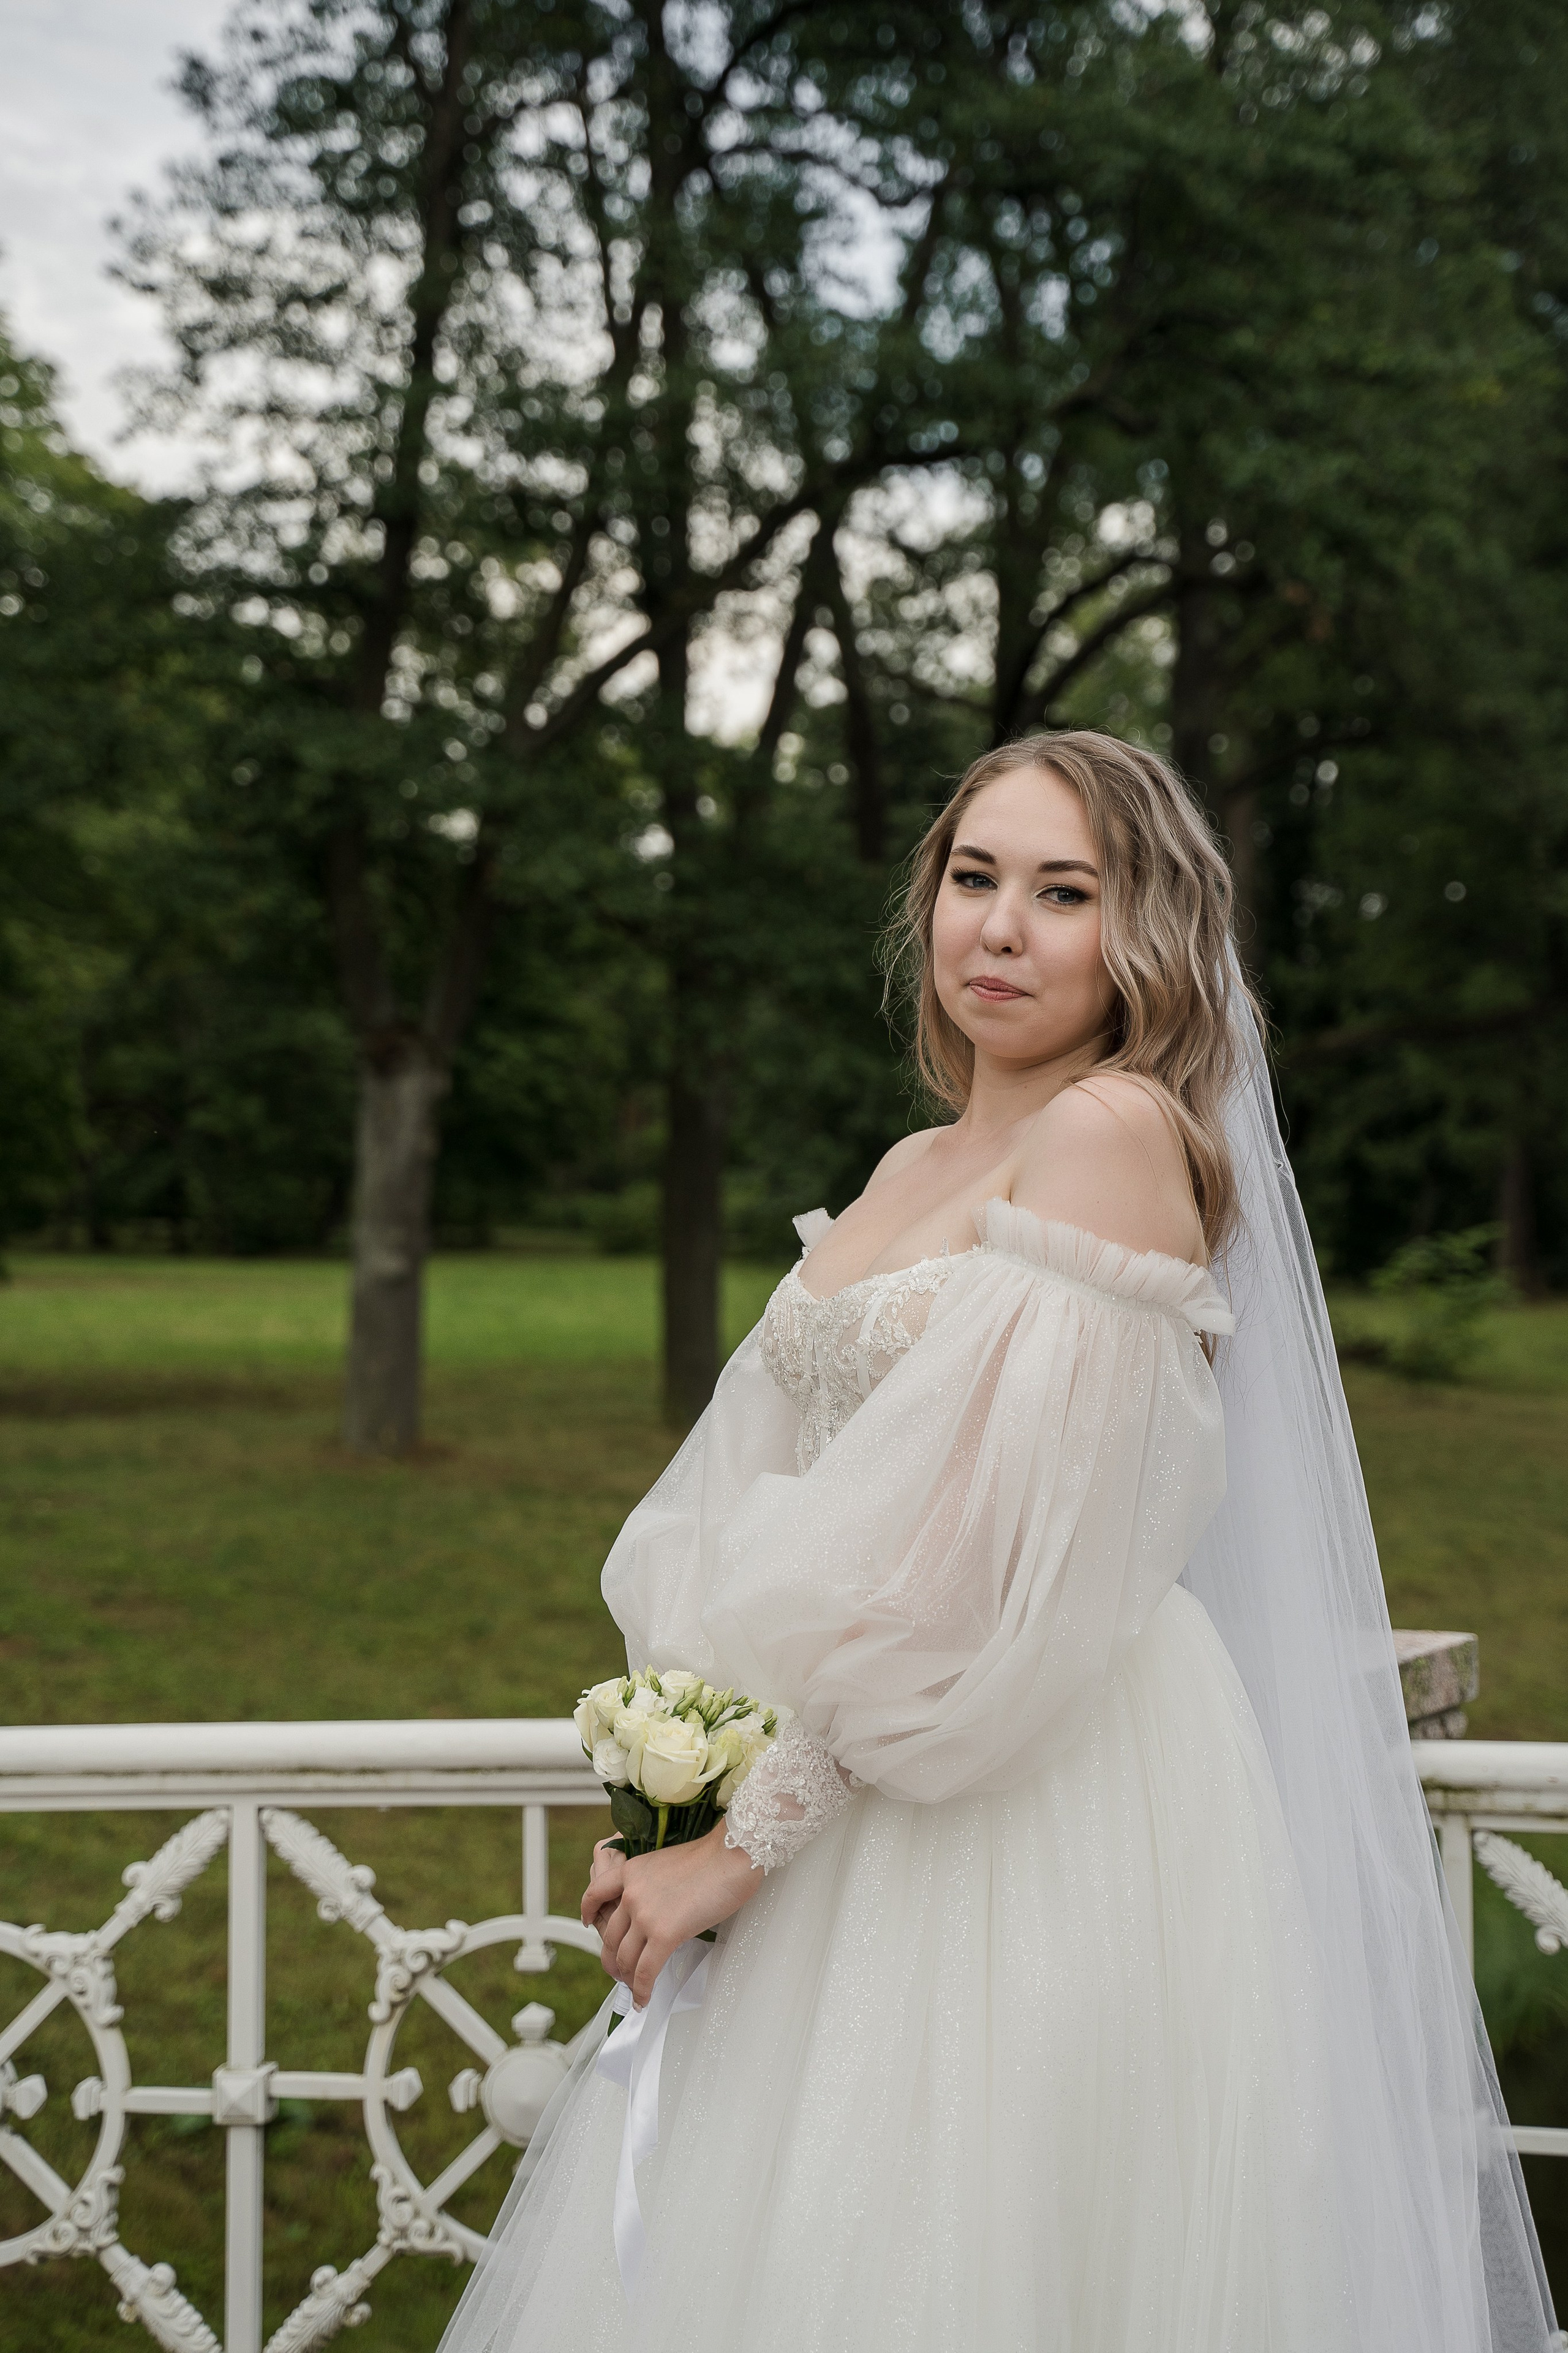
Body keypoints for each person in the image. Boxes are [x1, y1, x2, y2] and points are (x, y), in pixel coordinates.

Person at [441, 731, 1555, 2352]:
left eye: (1062, 891)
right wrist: (677, 1784)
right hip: (847, 1784)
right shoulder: (916, 1162)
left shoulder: (1108, 1135)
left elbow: (977, 1558)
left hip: (1029, 1791)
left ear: (1144, 933)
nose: (1000, 928)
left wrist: (734, 1853)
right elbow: (760, 1492)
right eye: (974, 878)